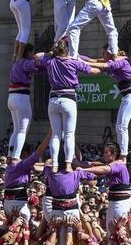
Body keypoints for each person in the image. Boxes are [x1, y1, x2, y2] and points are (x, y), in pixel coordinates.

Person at [35, 39, 100, 173]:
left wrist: (50, 53)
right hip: (69, 98)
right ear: (67, 50)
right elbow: (93, 71)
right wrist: (108, 68)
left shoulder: (50, 61)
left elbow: (37, 56)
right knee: (70, 134)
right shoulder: (73, 61)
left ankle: (54, 164)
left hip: (53, 99)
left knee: (56, 135)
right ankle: (69, 165)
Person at [83, 50, 131, 159]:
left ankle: (123, 155)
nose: (102, 55)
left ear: (110, 53)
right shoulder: (110, 63)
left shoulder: (121, 61)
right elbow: (94, 61)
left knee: (121, 126)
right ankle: (122, 153)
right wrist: (75, 57)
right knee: (119, 126)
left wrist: (84, 63)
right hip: (128, 96)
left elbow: (102, 64)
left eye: (104, 53)